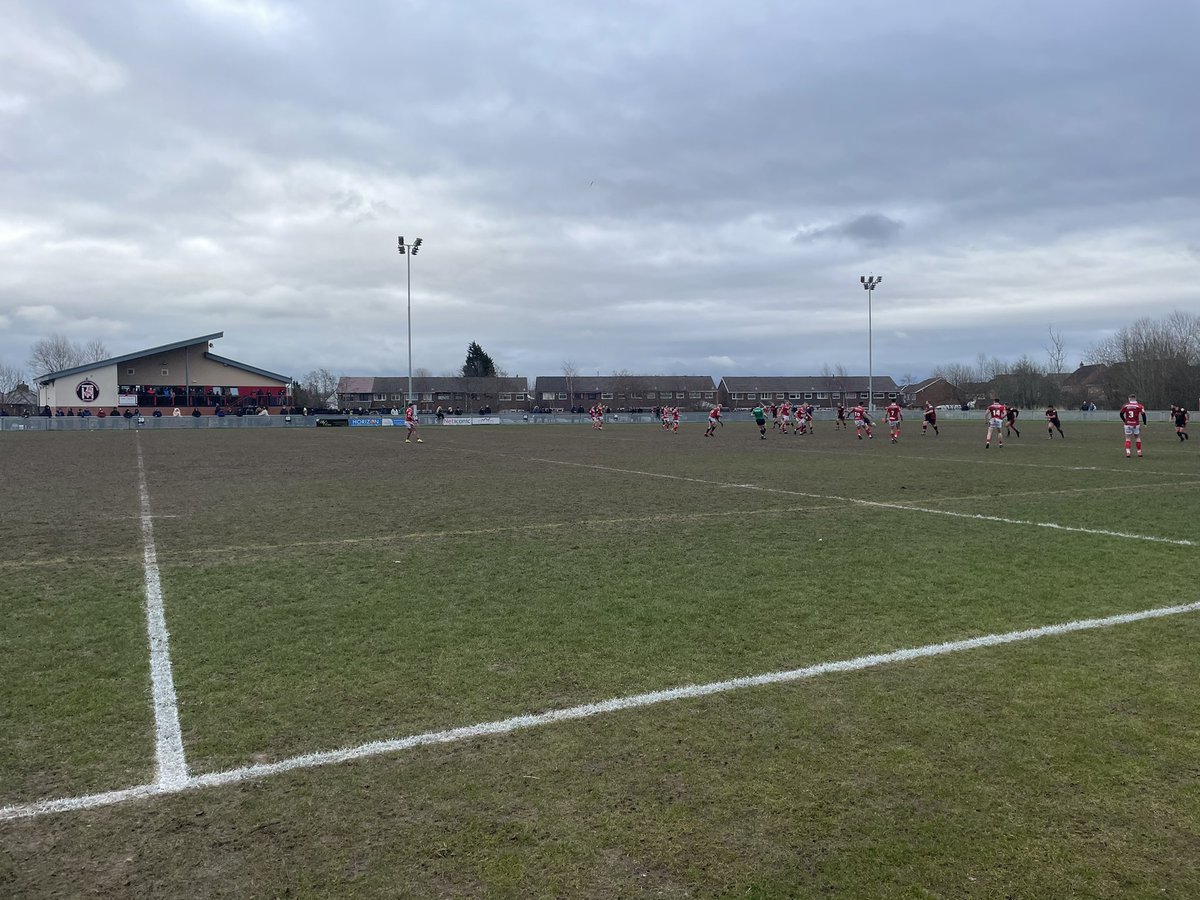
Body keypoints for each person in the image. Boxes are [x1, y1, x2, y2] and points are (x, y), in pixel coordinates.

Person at [1119, 394, 1146, 458]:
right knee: (1137, 437)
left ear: (1129, 398)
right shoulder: (1139, 406)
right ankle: (1139, 451)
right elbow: (1143, 415)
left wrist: (1124, 420)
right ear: (1135, 398)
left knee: (1128, 438)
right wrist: (1145, 423)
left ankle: (1128, 452)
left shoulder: (1125, 406)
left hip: (1128, 424)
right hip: (1136, 424)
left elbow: (1121, 414)